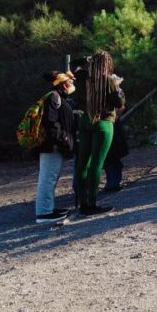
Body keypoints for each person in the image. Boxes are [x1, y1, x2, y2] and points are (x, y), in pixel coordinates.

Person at [75, 51, 125, 215]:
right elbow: (119, 102)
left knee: (82, 164)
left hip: (85, 121)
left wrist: (87, 60)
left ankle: (82, 203)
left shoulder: (82, 77)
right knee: (96, 164)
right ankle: (92, 203)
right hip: (103, 123)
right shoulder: (108, 81)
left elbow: (72, 65)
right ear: (107, 64)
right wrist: (117, 85)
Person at [35, 71, 77, 224]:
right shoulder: (54, 97)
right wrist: (63, 139)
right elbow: (51, 123)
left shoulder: (57, 96)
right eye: (70, 82)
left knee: (51, 178)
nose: (73, 85)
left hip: (53, 146)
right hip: (50, 146)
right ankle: (44, 213)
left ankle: (49, 208)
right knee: (47, 178)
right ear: (64, 84)